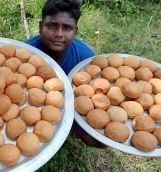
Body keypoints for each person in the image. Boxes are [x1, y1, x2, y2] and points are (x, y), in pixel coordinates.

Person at [25, 0, 106, 148]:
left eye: (67, 28)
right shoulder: (26, 52)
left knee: (98, 142)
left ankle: (71, 126)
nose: (58, 34)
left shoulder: (85, 56)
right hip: (33, 104)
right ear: (40, 27)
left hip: (73, 103)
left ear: (75, 31)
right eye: (51, 26)